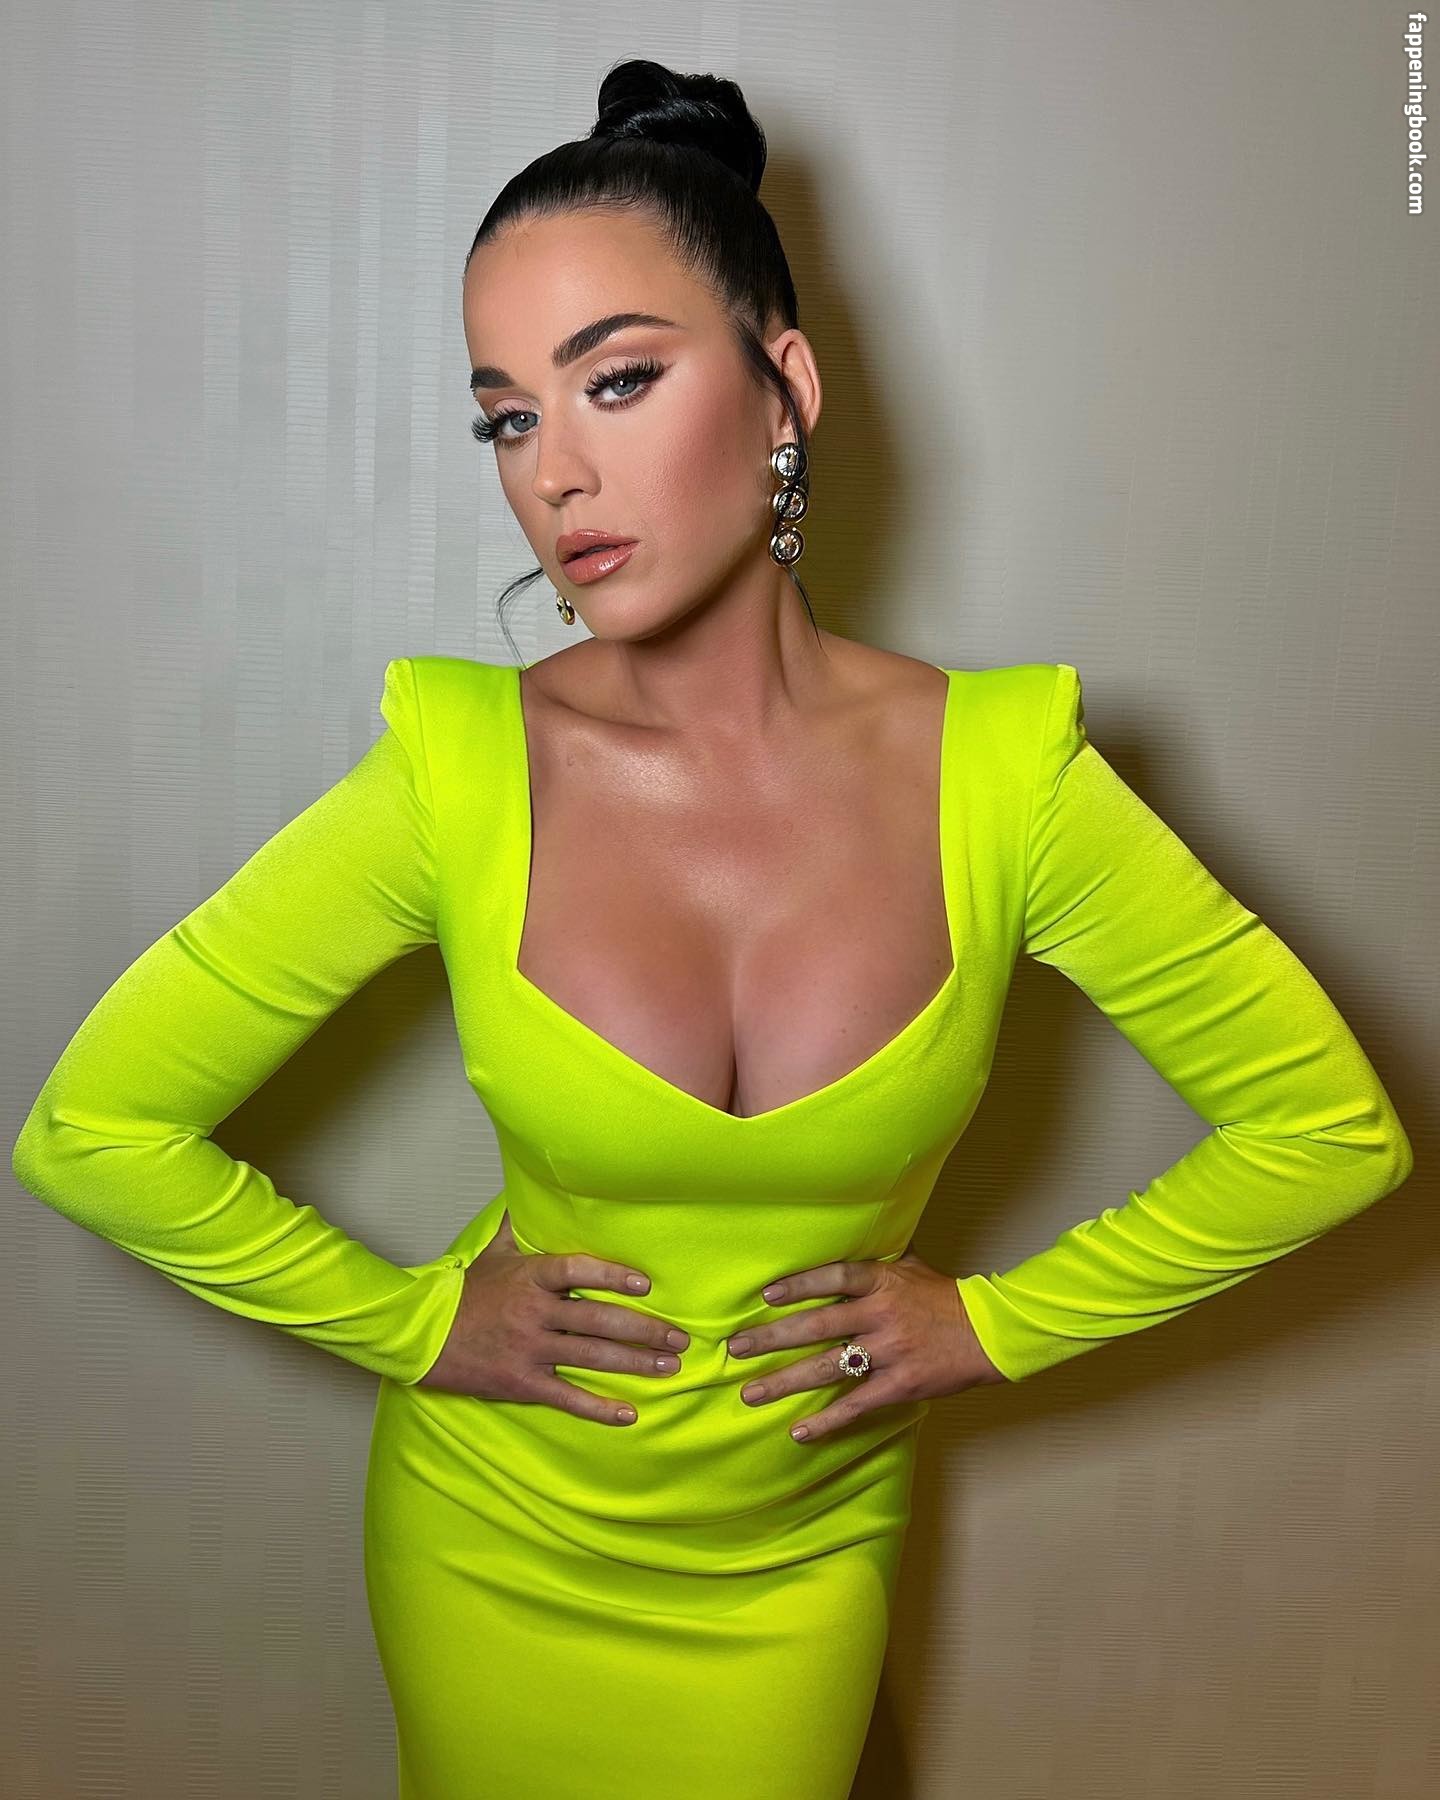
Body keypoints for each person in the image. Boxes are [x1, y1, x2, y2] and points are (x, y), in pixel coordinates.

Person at [10, 56, 1413, 1800]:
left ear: (782, 389)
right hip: (493, 1534)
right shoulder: (459, 769)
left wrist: (995, 1326)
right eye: (508, 417)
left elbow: (1326, 1133)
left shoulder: (1011, 776)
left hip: (797, 1562)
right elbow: (94, 1131)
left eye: (617, 380)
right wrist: (417, 1325)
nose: (555, 473)